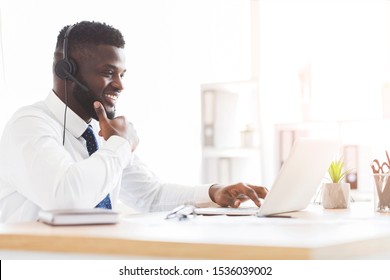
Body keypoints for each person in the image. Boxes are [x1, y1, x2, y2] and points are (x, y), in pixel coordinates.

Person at [0, 21, 268, 222]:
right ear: (66, 72)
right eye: (108, 73)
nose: (119, 85)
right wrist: (119, 143)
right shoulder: (29, 125)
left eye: (122, 74)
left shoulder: (97, 134)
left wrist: (213, 193)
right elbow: (66, 200)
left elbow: (151, 195)